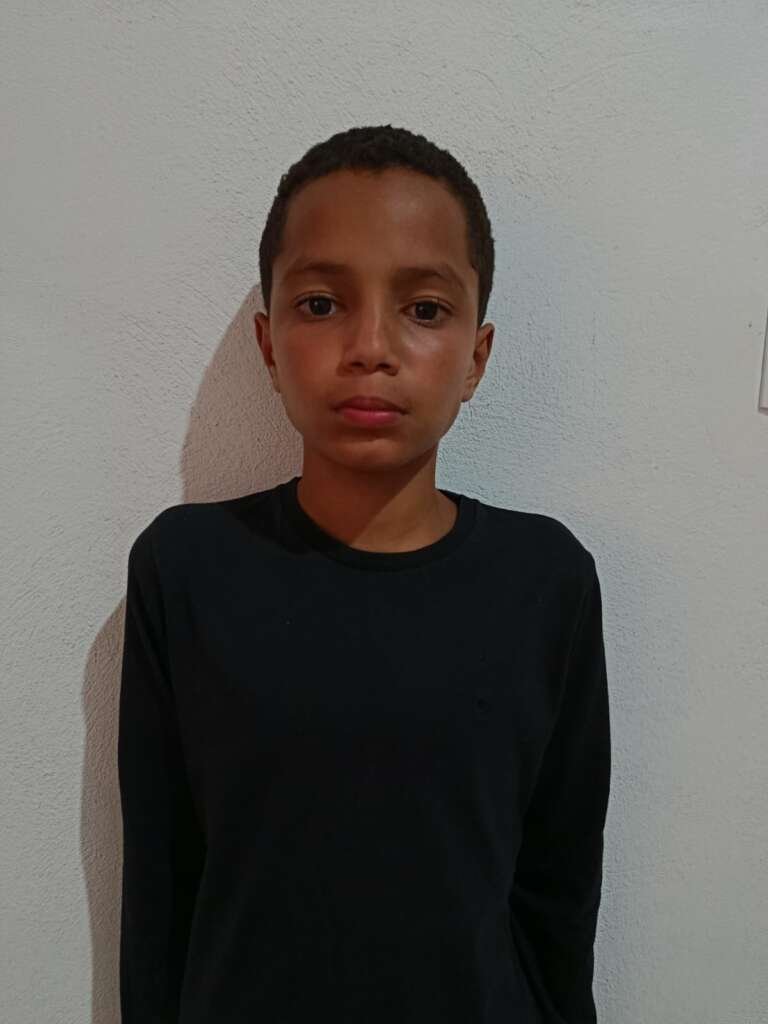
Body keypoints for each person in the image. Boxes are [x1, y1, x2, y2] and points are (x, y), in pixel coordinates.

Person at [117, 124, 611, 1023]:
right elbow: (160, 891)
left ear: (477, 357)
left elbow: (559, 898)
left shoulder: (548, 584)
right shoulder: (185, 570)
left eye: (424, 309)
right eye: (321, 304)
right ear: (269, 345)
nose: (371, 346)